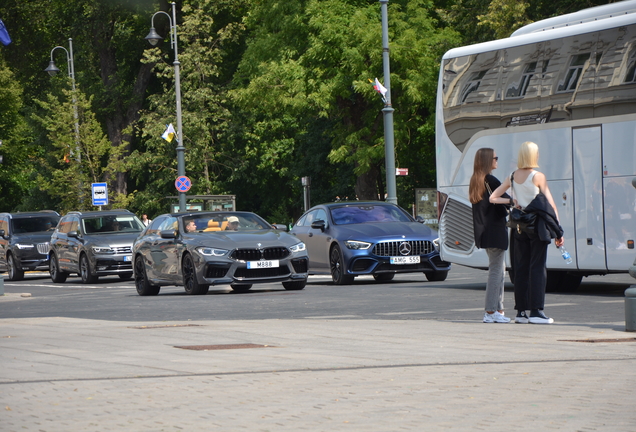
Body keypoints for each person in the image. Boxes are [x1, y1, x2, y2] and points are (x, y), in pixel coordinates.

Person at [490, 141, 564, 324]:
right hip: (537, 227)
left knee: (520, 268)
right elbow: (550, 205)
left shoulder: (512, 176)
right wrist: (558, 231)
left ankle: (521, 312)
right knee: (537, 267)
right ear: (534, 156)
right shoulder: (538, 176)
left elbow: (493, 197)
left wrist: (511, 202)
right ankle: (537, 312)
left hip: (518, 227)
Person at [469, 148, 511, 323]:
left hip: (485, 232)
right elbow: (507, 198)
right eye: (495, 158)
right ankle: (491, 312)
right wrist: (513, 201)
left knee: (499, 270)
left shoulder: (475, 180)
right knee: (496, 272)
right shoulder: (491, 180)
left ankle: (498, 309)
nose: (497, 160)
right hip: (495, 231)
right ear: (488, 161)